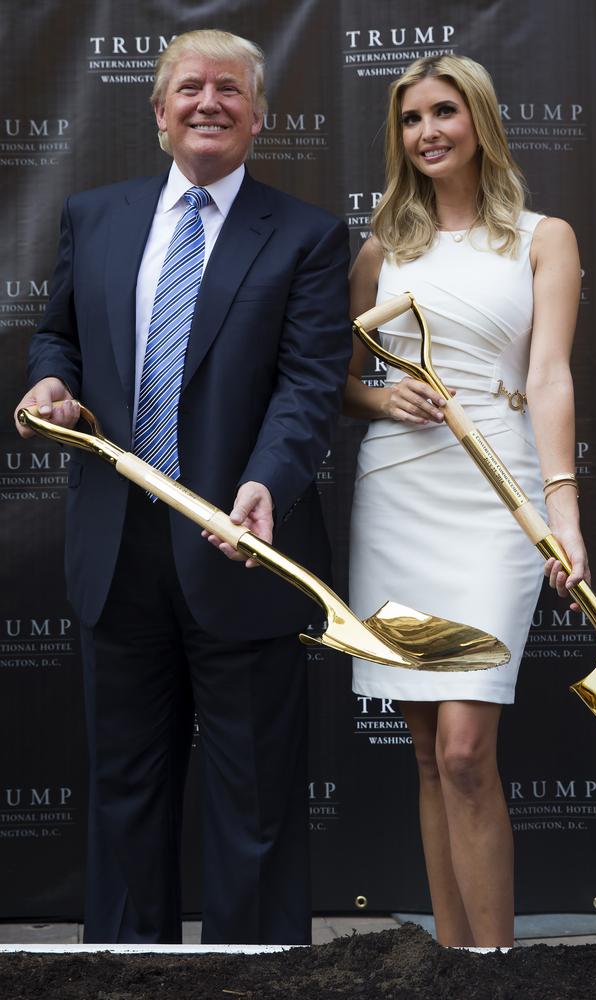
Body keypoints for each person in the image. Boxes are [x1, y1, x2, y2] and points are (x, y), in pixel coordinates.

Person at [14, 29, 350, 946]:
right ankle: (122, 970)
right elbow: (59, 336)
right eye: (190, 89)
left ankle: (257, 973)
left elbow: (309, 386)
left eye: (231, 90)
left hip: (242, 548)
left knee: (254, 801)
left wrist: (266, 482)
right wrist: (50, 382)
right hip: (115, 551)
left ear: (259, 115)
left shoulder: (310, 236)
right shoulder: (95, 214)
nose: (210, 103)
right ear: (159, 113)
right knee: (125, 792)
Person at [344, 54, 589, 948]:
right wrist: (381, 397)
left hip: (499, 497)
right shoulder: (380, 249)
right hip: (399, 490)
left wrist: (562, 514)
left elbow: (552, 375)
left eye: (445, 112)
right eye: (412, 120)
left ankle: (495, 966)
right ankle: (457, 963)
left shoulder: (542, 236)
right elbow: (343, 384)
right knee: (423, 754)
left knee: (463, 750)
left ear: (481, 120)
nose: (429, 132)